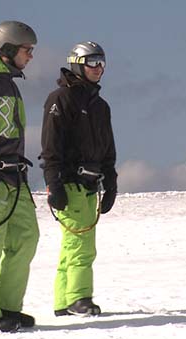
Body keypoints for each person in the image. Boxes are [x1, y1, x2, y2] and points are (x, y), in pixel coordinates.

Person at [40, 41, 117, 317]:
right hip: (69, 182)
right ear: (77, 64)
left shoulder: (99, 105)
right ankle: (78, 298)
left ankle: (64, 301)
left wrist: (111, 181)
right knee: (81, 245)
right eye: (92, 62)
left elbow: (107, 148)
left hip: (91, 185)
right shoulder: (60, 99)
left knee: (73, 245)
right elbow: (50, 146)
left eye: (102, 63)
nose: (99, 68)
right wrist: (54, 182)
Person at [0, 20, 39, 332]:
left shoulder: (9, 83)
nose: (31, 56)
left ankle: (6, 306)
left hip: (14, 180)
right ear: (8, 50)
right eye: (26, 50)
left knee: (26, 238)